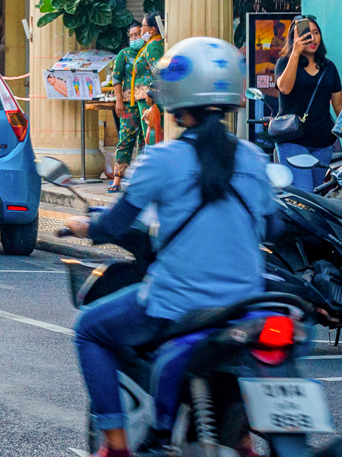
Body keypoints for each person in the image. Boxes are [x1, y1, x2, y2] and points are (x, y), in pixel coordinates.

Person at [67, 37, 280, 457]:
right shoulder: (254, 159)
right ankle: (240, 439)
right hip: (247, 305)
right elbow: (273, 228)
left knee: (88, 330)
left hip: (178, 303)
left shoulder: (161, 159)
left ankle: (115, 442)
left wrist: (80, 226)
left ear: (175, 98)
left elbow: (115, 224)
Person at [272, 14, 342, 188]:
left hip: (323, 142)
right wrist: (295, 53)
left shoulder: (329, 67)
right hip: (292, 140)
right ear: (294, 38)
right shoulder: (284, 63)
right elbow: (284, 88)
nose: (312, 38)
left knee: (318, 193)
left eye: (316, 33)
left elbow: (339, 105)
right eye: (306, 33)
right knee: (304, 193)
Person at [109, 23, 146, 191]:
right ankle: (117, 180)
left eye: (137, 35)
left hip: (146, 104)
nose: (134, 39)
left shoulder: (148, 52)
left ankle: (141, 180)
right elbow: (116, 78)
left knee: (145, 141)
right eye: (131, 36)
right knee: (125, 141)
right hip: (129, 105)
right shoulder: (124, 55)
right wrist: (119, 101)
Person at [129, 14, 164, 144]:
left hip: (149, 97)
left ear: (152, 30)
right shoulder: (156, 43)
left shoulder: (152, 46)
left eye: (143, 26)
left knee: (151, 133)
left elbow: (158, 71)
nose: (141, 30)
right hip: (151, 96)